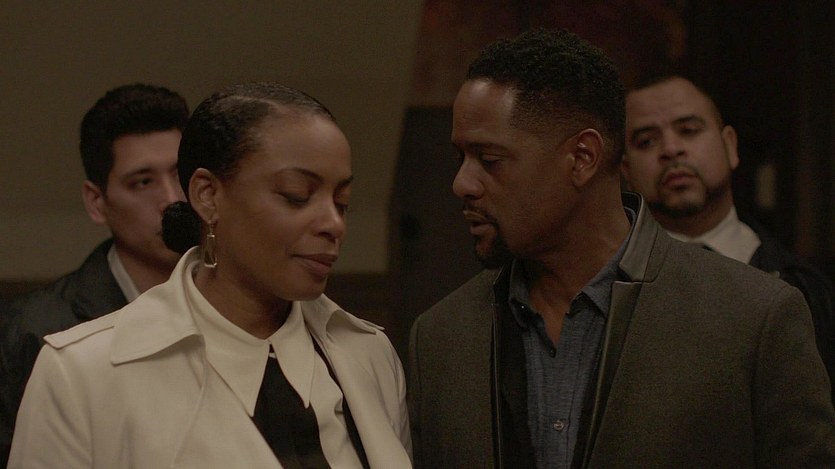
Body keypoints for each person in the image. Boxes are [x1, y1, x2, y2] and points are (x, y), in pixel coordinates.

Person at [408, 28, 835, 468]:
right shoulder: (441, 338)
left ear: (582, 158)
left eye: (489, 160)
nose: (462, 184)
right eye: (461, 158)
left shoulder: (753, 317)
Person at [9, 82, 412, 468]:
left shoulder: (369, 354)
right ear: (207, 195)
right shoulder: (80, 373)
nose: (333, 224)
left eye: (342, 202)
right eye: (296, 196)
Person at [0, 83, 189, 466]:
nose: (172, 199)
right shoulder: (35, 333)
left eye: (180, 174)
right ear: (97, 202)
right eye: (143, 182)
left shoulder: (245, 305)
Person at [621, 75, 835, 400]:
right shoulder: (610, 287)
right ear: (626, 172)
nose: (671, 149)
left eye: (689, 130)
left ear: (730, 146)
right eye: (646, 141)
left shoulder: (805, 287)